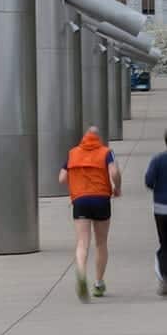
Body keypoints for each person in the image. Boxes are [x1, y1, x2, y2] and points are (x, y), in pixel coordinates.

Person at [59, 126, 122, 302]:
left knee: (82, 243)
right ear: (98, 138)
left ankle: (80, 272)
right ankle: (99, 283)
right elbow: (114, 172)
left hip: (80, 201)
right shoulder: (106, 152)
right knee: (101, 243)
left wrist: (76, 184)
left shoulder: (73, 153)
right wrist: (117, 187)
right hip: (101, 199)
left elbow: (62, 178)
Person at [144, 132, 167, 296]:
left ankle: (164, 278)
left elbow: (149, 181)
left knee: (164, 244)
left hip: (161, 208)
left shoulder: (158, 160)